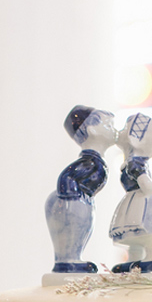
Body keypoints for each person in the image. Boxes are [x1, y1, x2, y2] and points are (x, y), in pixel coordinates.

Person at [45, 106, 117, 273]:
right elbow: (66, 177)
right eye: (109, 125)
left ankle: (70, 260)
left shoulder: (94, 159)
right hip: (72, 199)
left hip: (80, 198)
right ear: (92, 130)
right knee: (73, 232)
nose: (114, 130)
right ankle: (67, 262)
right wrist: (72, 198)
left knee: (81, 230)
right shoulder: (90, 161)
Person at [110, 112, 152, 272]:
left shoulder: (136, 164)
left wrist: (151, 189)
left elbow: (145, 183)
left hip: (141, 201)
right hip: (136, 199)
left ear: (135, 140)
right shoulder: (132, 162)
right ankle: (136, 259)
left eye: (124, 130)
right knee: (137, 233)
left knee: (148, 232)